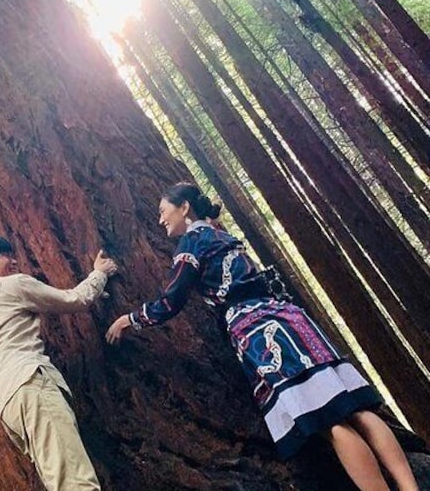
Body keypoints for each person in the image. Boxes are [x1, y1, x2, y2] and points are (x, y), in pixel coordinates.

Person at [105, 182, 418, 491]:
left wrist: (130, 319)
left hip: (259, 330)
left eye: (163, 211)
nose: (160, 220)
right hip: (290, 317)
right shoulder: (223, 235)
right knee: (354, 407)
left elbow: (171, 301)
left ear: (184, 207)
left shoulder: (192, 243)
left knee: (328, 420)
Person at [0, 235, 117, 491]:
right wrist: (99, 274)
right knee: (74, 482)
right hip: (31, 385)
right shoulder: (12, 285)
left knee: (57, 477)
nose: (15, 261)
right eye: (6, 255)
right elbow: (75, 300)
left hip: (8, 406)